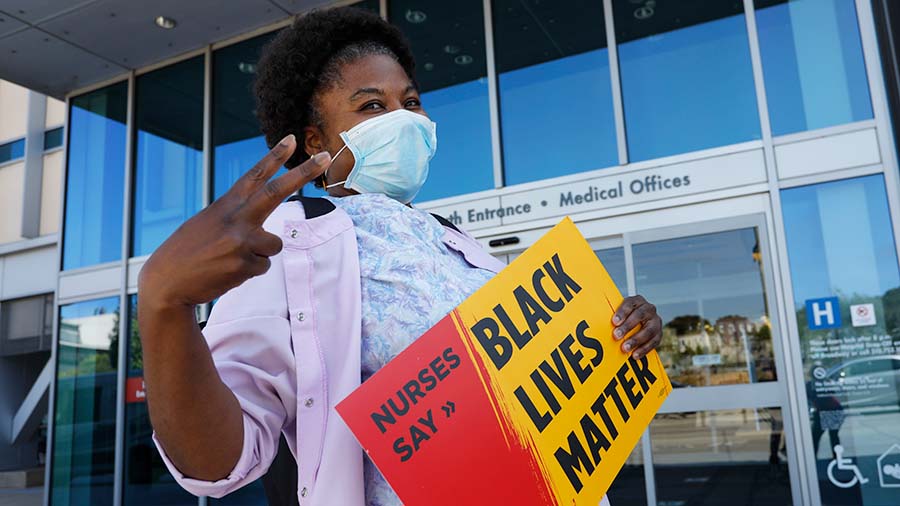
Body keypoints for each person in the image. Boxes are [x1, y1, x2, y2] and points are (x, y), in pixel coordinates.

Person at [136, 6, 664, 506]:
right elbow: (216, 463)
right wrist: (165, 305)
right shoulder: (284, 241)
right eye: (372, 106)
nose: (405, 119)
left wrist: (611, 332)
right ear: (317, 140)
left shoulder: (453, 241)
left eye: (410, 102)